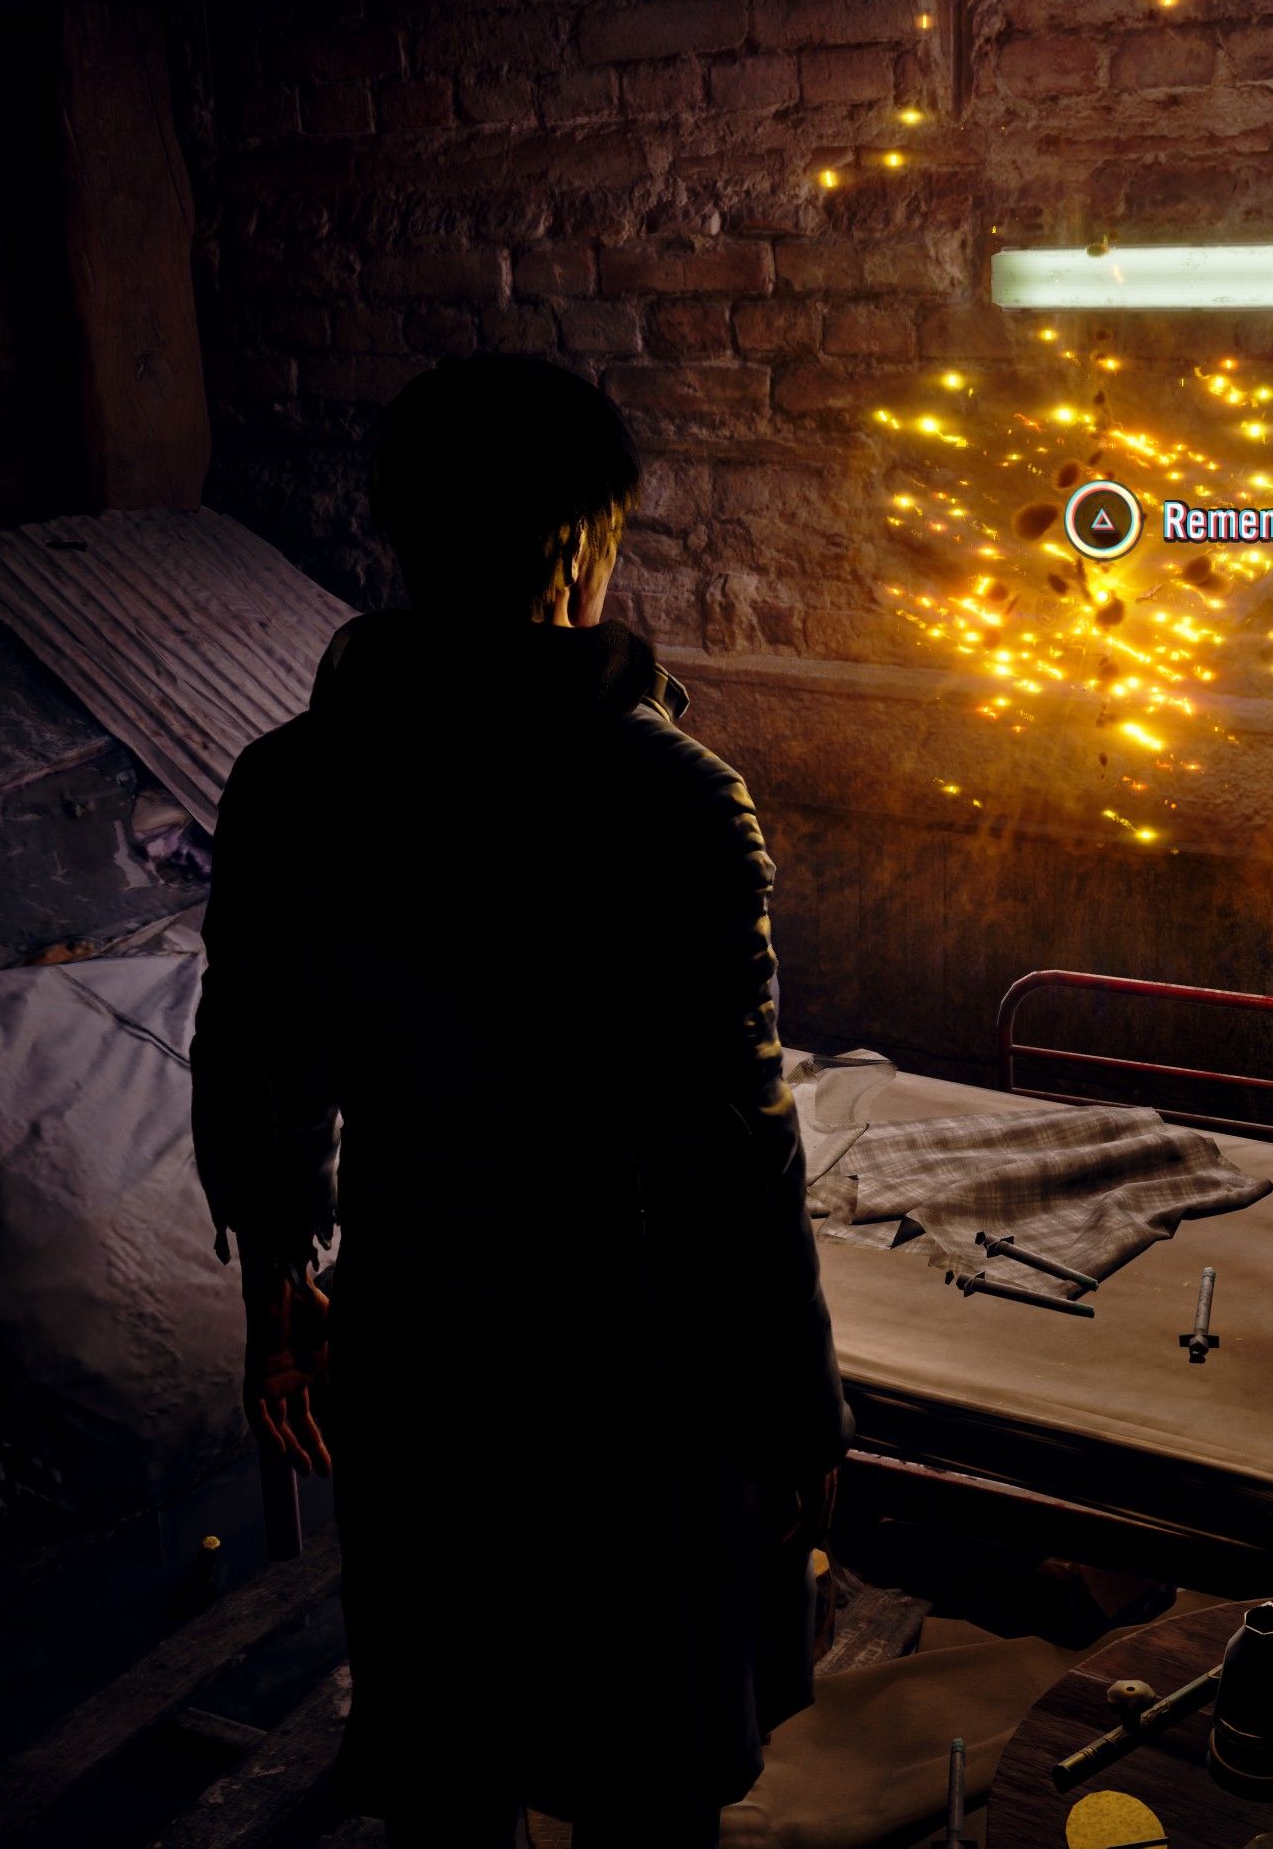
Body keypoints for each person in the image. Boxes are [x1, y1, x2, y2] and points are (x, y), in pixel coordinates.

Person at [191, 356, 848, 1847]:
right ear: (587, 541)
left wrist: (282, 1284)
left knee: (447, 1737)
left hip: (419, 1320)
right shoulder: (669, 793)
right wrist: (798, 1397)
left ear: (399, 534)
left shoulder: (293, 782)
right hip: (636, 1343)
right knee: (645, 1760)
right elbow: (740, 1142)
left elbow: (259, 1065)